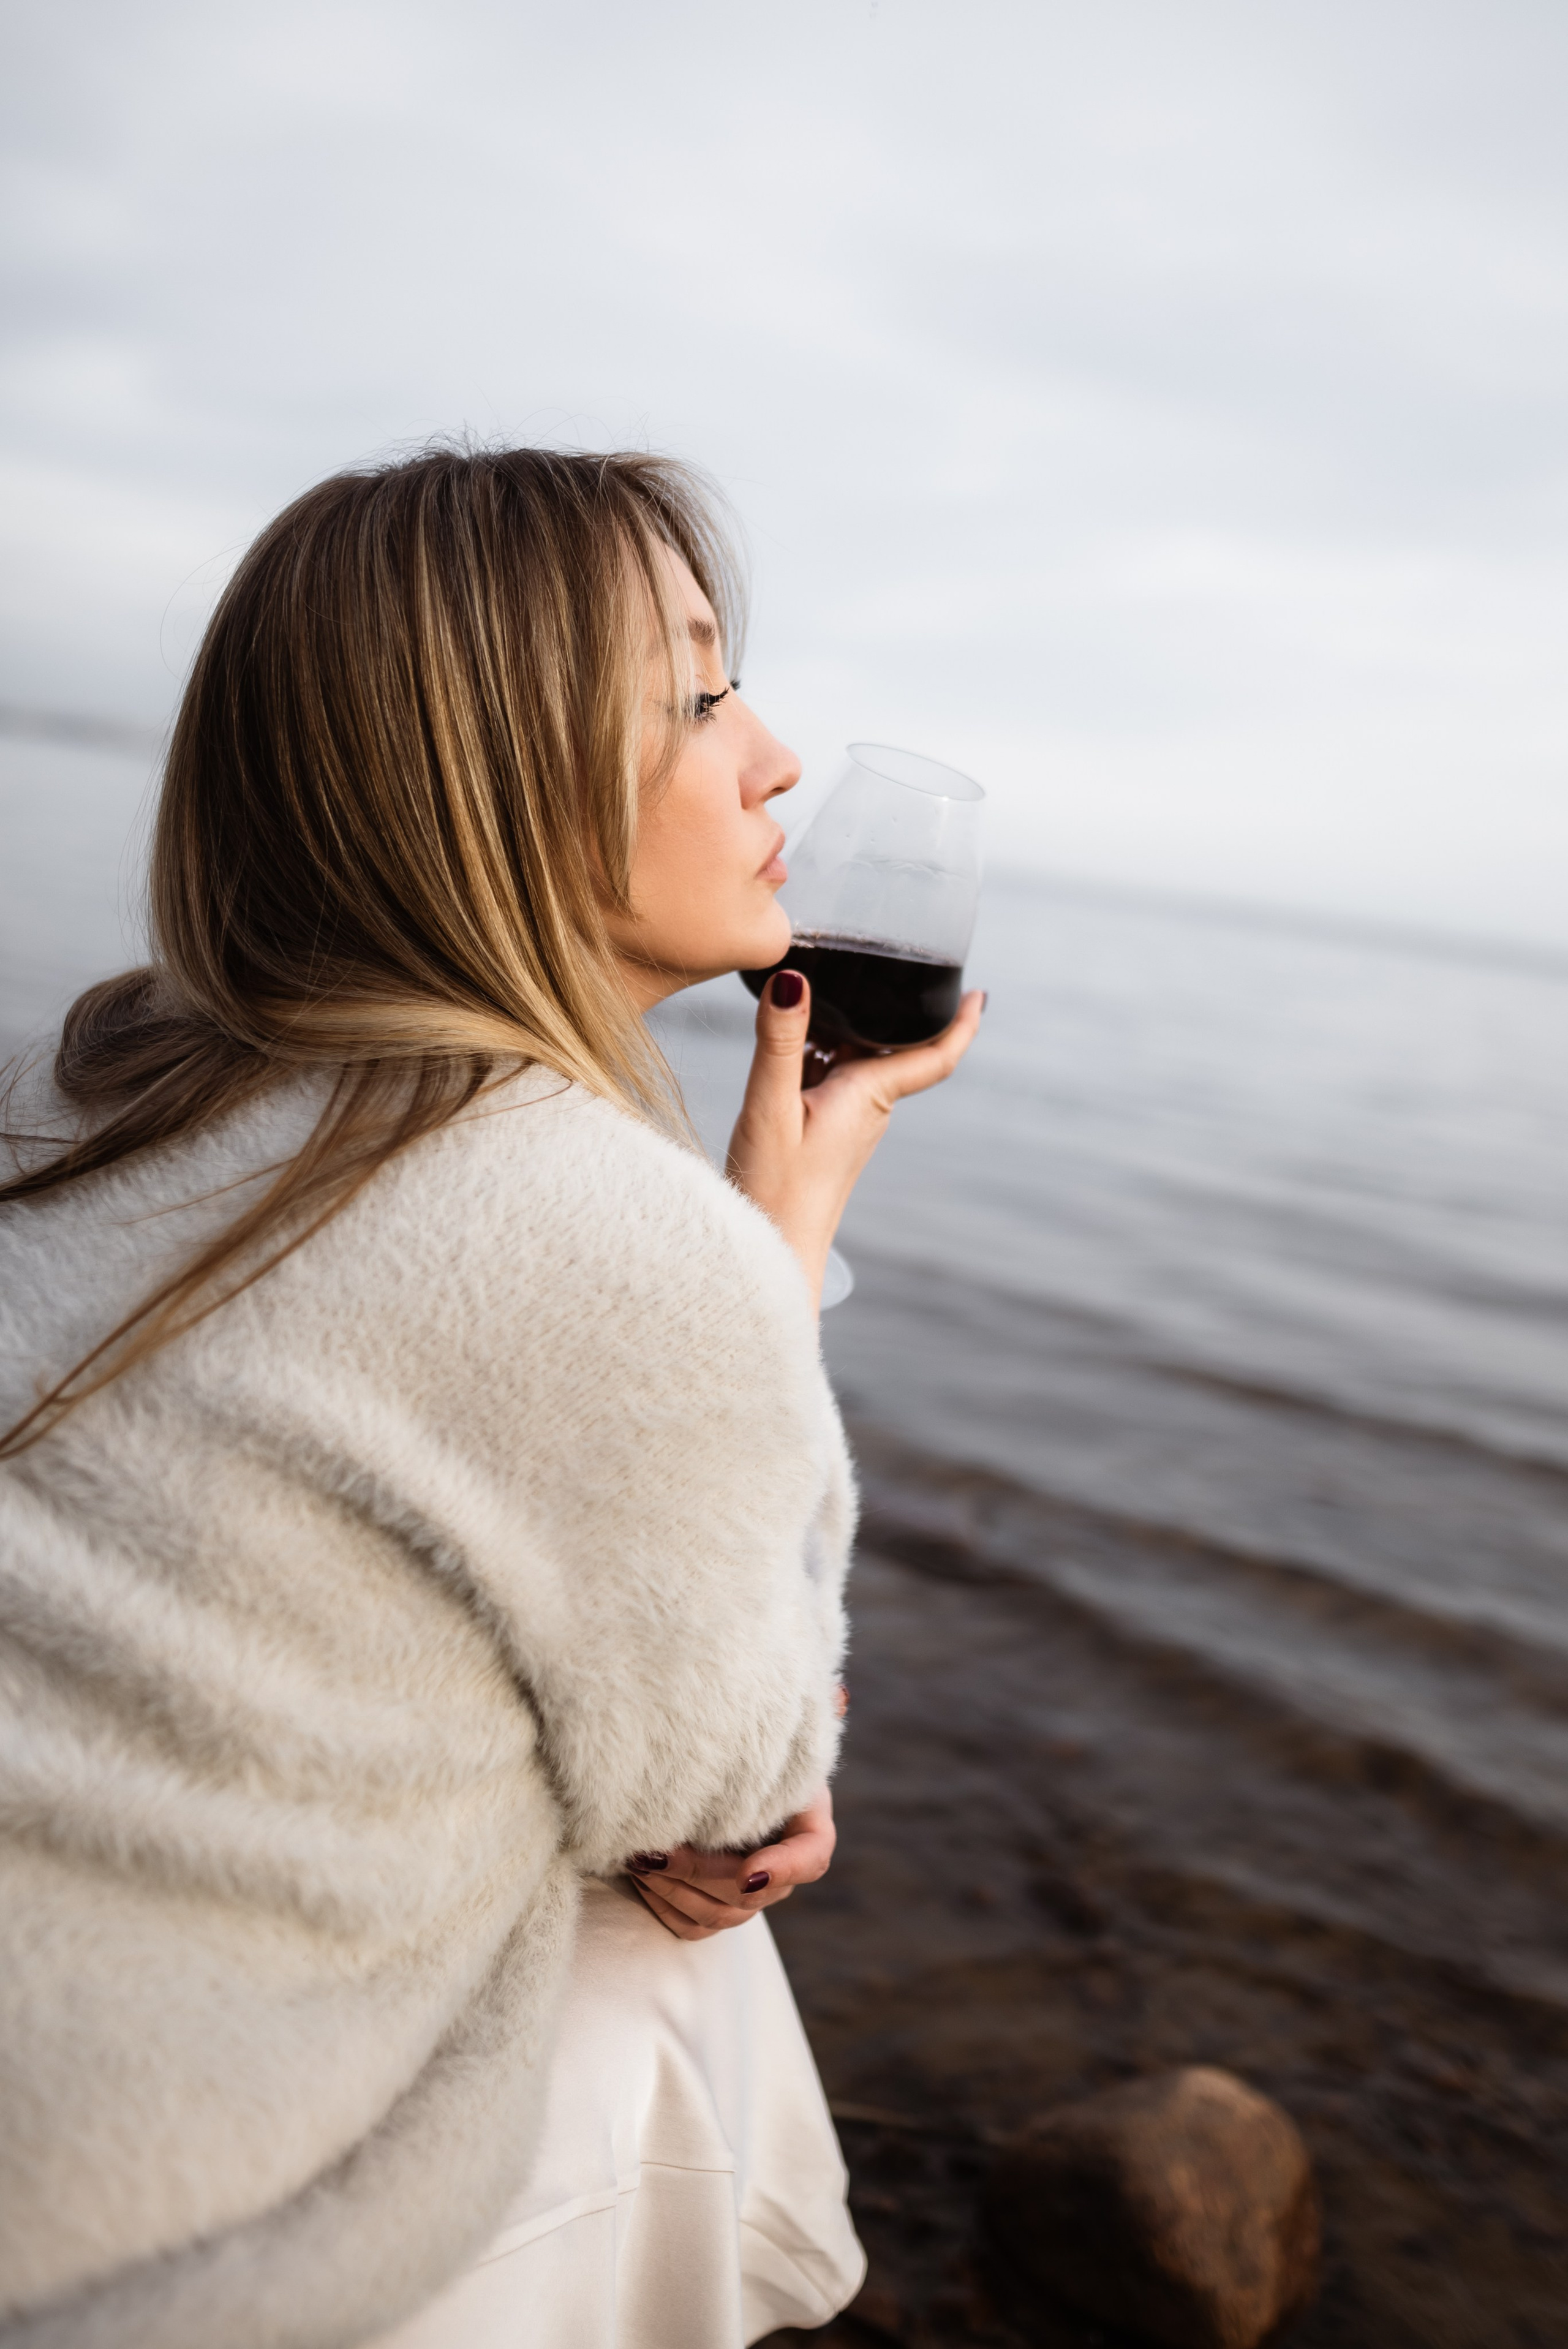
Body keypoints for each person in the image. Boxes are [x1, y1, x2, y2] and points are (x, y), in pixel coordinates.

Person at [0, 447, 981, 2349]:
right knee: (685, 1956)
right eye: (699, 692)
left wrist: (741, 1256)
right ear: (493, 772)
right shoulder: (593, 1233)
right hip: (116, 2233)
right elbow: (728, 1791)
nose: (773, 753)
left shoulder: (99, 1076)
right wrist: (766, 1256)